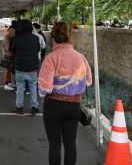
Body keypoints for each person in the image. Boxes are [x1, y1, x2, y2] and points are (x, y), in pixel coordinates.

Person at [38, 22, 93, 165]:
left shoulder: (51, 58)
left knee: (55, 145)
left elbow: (45, 88)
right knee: (70, 144)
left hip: (54, 107)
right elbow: (88, 81)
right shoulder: (80, 57)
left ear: (53, 38)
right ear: (70, 37)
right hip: (73, 107)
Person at [10, 19, 41, 115]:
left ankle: (19, 107)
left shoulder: (17, 38)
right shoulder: (36, 38)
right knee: (33, 87)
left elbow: (12, 50)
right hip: (32, 68)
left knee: (20, 87)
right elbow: (38, 50)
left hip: (20, 67)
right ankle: (34, 107)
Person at [2, 21, 16, 91]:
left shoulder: (9, 31)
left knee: (9, 69)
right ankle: (6, 84)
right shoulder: (12, 31)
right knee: (7, 69)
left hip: (6, 53)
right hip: (8, 53)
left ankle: (9, 82)